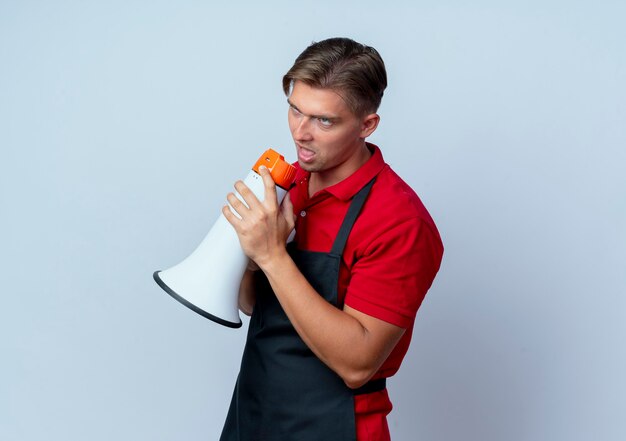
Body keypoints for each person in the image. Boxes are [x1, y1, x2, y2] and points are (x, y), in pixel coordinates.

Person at [220, 37, 443, 441]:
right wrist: (249, 256)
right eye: (295, 110)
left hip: (334, 429)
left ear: (367, 124)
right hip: (252, 418)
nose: (301, 133)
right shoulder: (291, 182)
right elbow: (254, 305)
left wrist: (272, 255)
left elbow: (358, 365)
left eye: (324, 120)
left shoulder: (399, 221)